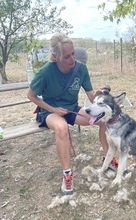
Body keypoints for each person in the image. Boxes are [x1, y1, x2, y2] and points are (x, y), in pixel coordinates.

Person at [27, 33, 118, 196]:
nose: (72, 59)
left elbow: (90, 96)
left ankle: (107, 159)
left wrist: (96, 94)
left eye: (73, 53)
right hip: (49, 112)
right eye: (67, 56)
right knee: (61, 127)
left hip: (71, 109)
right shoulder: (45, 72)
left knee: (103, 120)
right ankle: (67, 175)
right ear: (55, 56)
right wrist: (54, 110)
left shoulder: (80, 69)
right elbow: (31, 96)